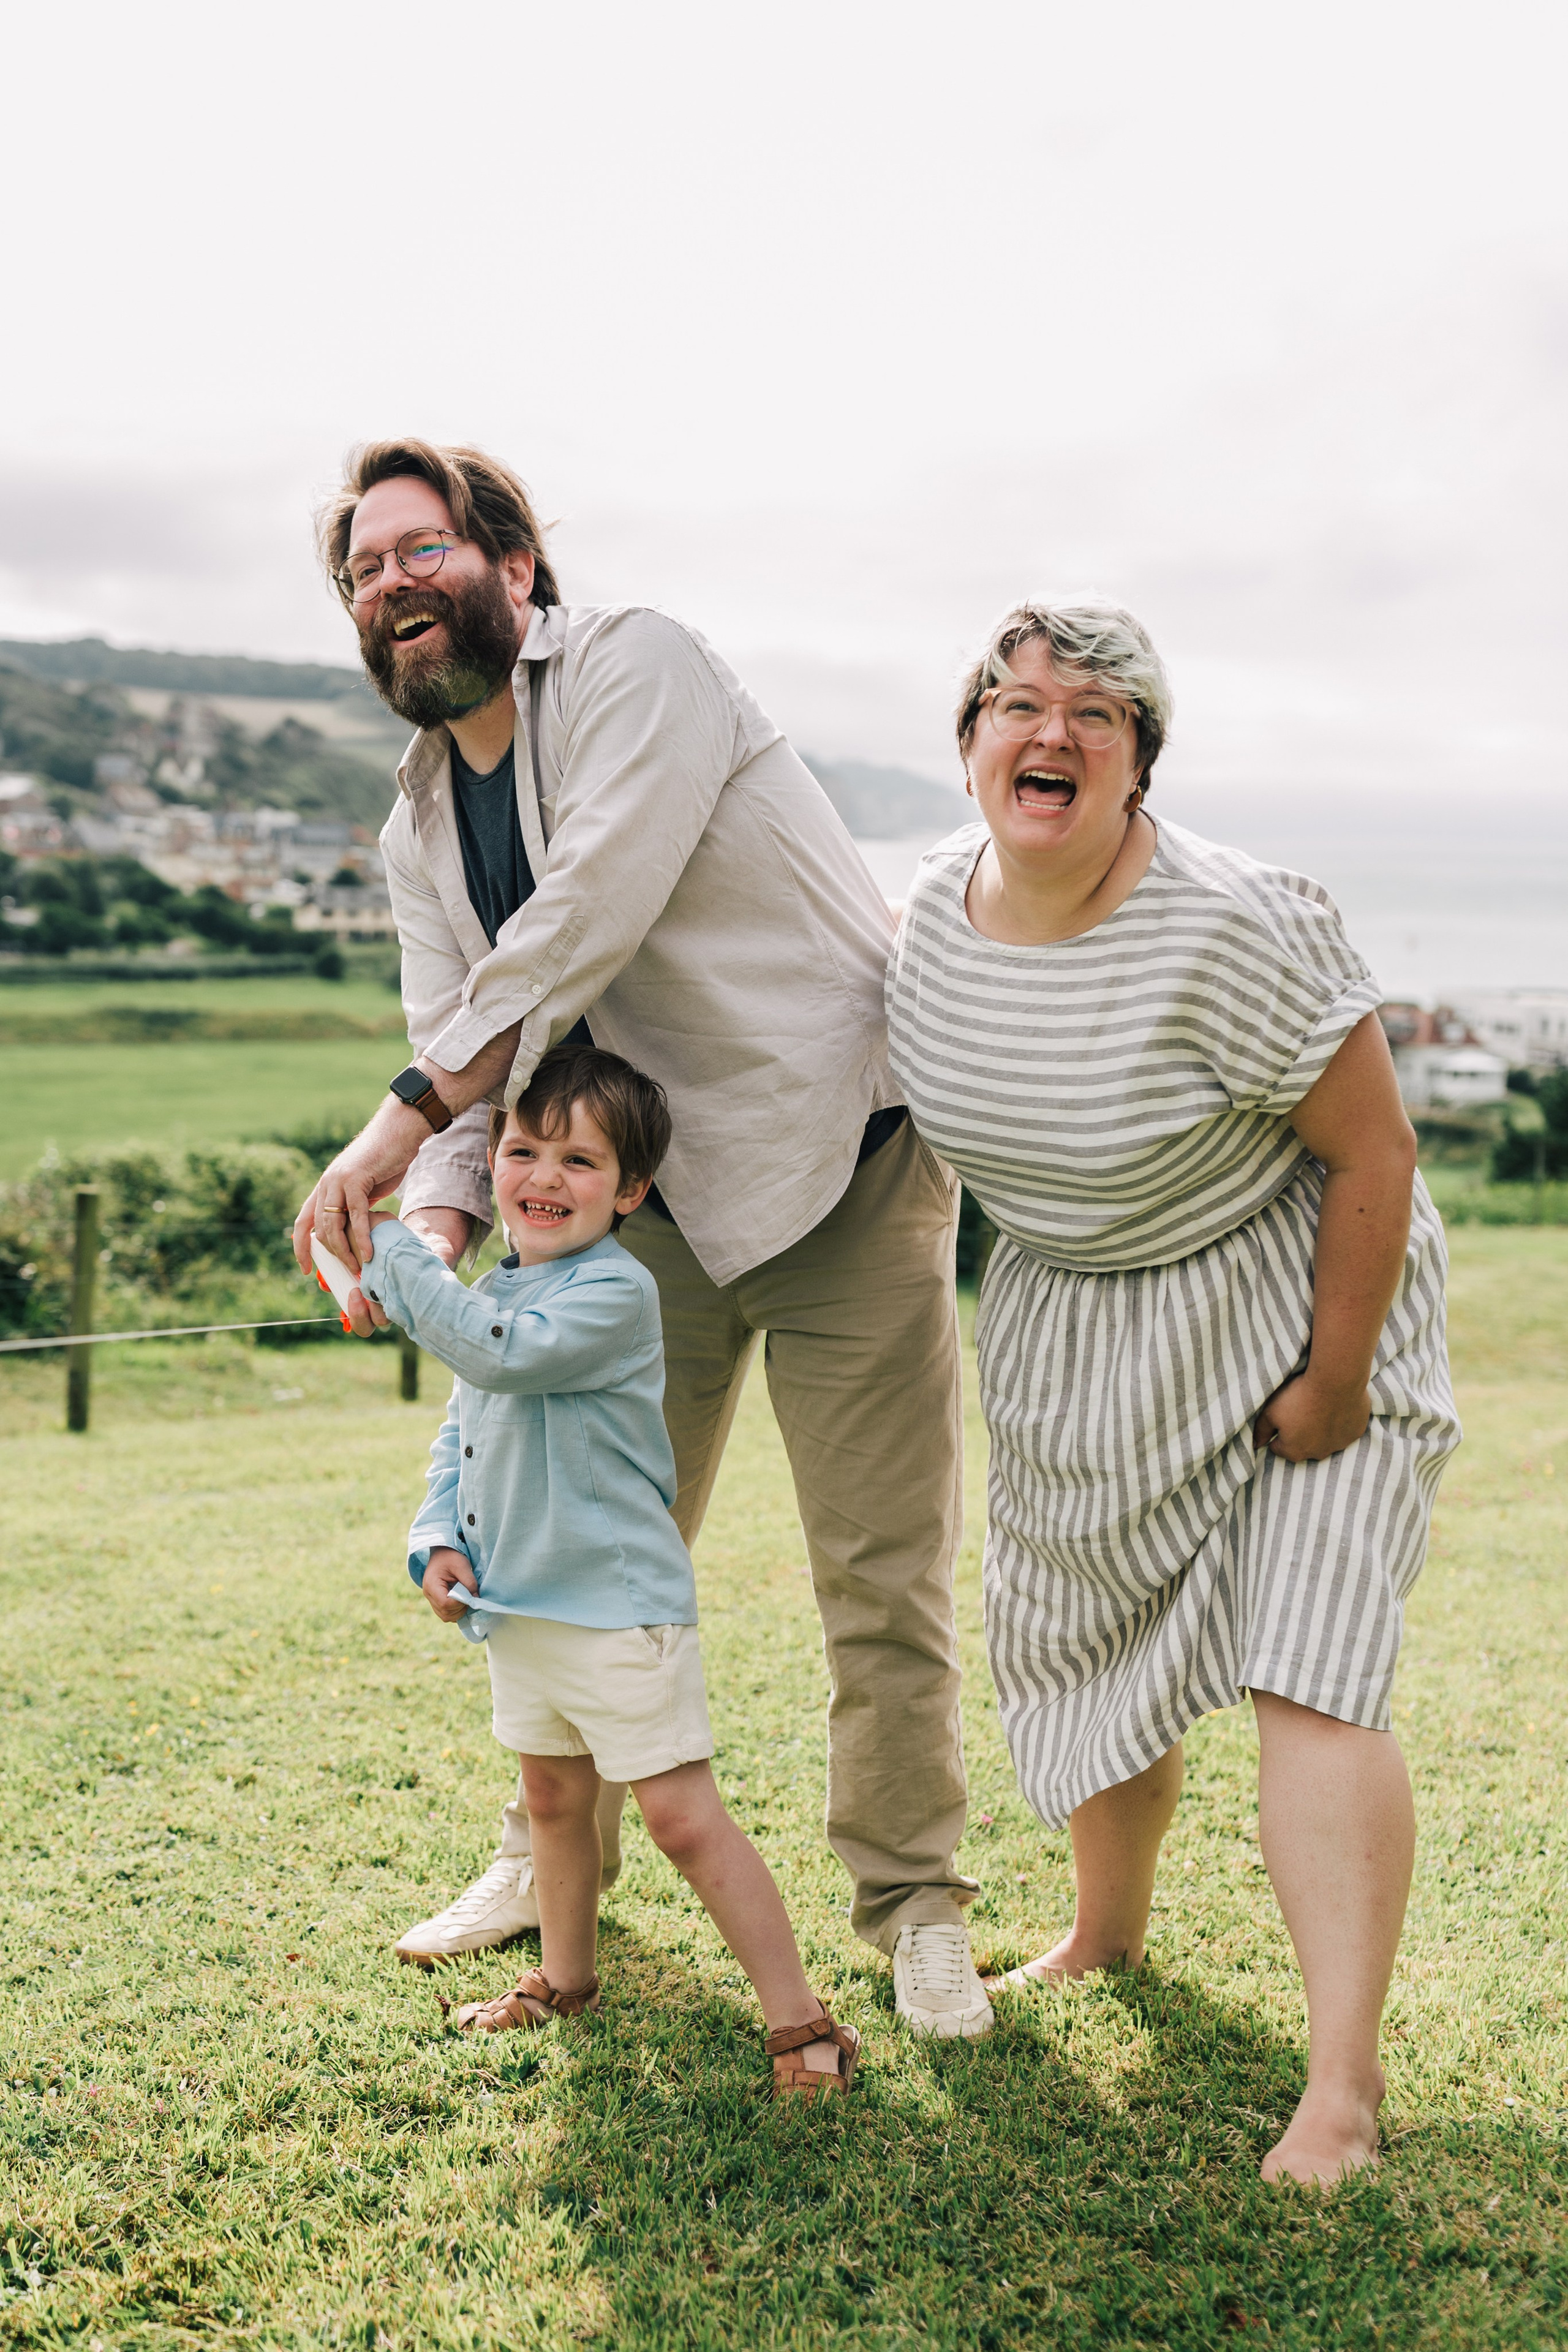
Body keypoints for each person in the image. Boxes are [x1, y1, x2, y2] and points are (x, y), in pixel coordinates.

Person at [292, 439, 990, 2038]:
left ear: (514, 571)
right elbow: (478, 1068)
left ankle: (913, 1907)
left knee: (878, 1572)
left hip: (846, 1169)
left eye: (417, 547)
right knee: (568, 1558)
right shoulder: (415, 833)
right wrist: (440, 1227)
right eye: (358, 571)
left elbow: (584, 911)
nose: (388, 581)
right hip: (638, 1225)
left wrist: (392, 1124)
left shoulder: (640, 668)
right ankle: (552, 1872)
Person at [885, 600, 1460, 2182]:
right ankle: (1104, 1933)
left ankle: (1342, 2084)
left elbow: (1375, 1151)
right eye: (1015, 704)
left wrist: (1337, 1385)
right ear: (971, 745)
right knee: (1082, 1639)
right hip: (1078, 1327)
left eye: (1094, 714)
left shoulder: (1235, 920)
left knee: (1311, 1663)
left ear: (1140, 762)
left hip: (1296, 1299)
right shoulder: (931, 916)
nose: (1048, 732)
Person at [356, 1043, 859, 2096]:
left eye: (580, 1163)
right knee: (552, 1798)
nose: (544, 1178)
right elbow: (467, 1426)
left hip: (617, 1611)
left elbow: (495, 1352)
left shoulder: (612, 1295)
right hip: (522, 1605)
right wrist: (436, 1534)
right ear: (491, 1160)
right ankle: (564, 1981)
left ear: (630, 1192)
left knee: (679, 1817)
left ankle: (801, 2021)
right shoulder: (506, 1282)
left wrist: (402, 1252)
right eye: (525, 1149)